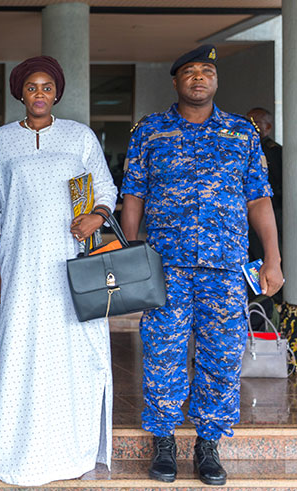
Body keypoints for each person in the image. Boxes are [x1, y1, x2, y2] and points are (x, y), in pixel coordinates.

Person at [120, 45, 283, 486]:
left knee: (222, 357)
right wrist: (130, 254)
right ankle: (164, 442)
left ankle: (208, 445)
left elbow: (259, 199)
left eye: (207, 70)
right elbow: (133, 195)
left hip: (225, 267)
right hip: (165, 267)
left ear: (216, 80)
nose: (198, 77)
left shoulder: (242, 133)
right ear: (175, 81)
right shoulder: (150, 131)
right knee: (162, 354)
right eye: (189, 71)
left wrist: (273, 258)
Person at [0, 56, 116, 486]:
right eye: (31, 87)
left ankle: (70, 449)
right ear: (20, 94)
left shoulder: (80, 137)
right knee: (17, 350)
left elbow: (105, 187)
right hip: (18, 264)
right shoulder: (0, 142)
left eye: (47, 87)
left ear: (57, 93)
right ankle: (18, 450)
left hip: (72, 262)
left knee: (74, 352)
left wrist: (96, 215)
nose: (39, 94)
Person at [245, 108, 282, 279]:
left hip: (270, 215)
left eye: (256, 123)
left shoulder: (272, 151)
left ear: (268, 127)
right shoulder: (242, 148)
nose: (251, 126)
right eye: (249, 122)